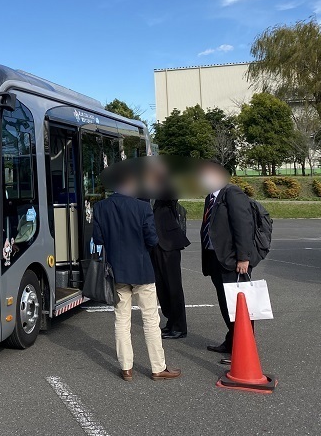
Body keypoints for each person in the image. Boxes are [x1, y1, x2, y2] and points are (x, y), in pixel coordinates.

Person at [93, 172, 181, 382]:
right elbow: (151, 239)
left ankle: (126, 368)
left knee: (121, 319)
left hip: (116, 271)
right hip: (142, 270)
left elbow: (98, 238)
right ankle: (158, 367)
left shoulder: (100, 208)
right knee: (150, 319)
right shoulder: (142, 208)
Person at [198, 162, 260, 354]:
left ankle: (243, 349)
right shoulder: (211, 197)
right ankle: (232, 340)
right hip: (216, 259)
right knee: (226, 304)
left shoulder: (232, 194)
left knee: (238, 306)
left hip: (233, 260)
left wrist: (243, 258)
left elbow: (243, 226)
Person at [151, 198, 191, 339]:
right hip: (154, 244)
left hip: (168, 243)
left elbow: (172, 194)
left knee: (173, 287)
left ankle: (180, 327)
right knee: (161, 287)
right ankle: (171, 321)